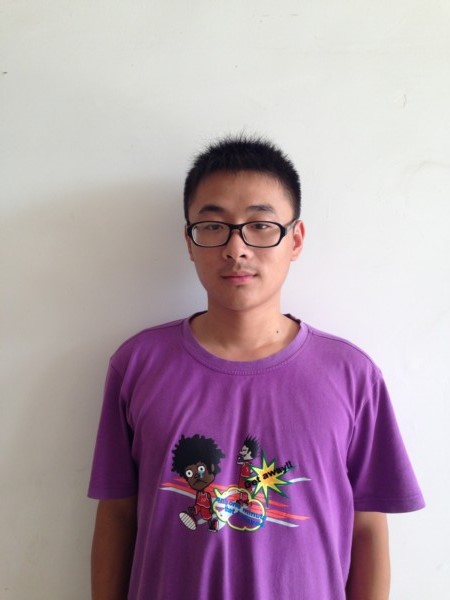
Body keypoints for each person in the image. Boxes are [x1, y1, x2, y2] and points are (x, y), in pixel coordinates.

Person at [88, 135, 425, 599]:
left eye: (260, 225)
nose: (236, 248)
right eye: (213, 226)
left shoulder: (351, 375)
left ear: (295, 239)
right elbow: (117, 515)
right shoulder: (138, 364)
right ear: (189, 241)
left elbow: (367, 528)